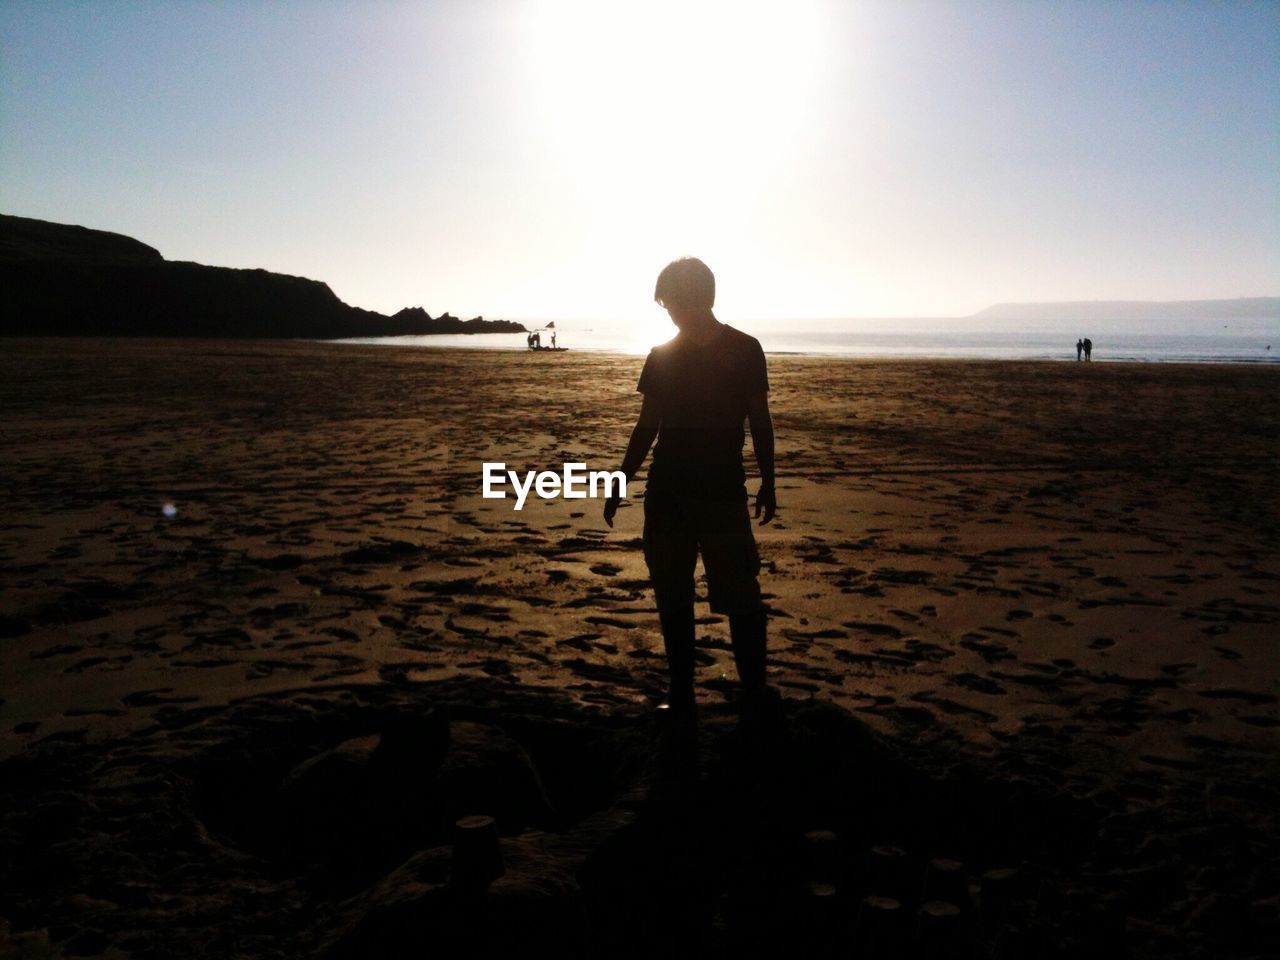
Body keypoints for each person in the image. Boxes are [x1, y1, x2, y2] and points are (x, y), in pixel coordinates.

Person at [603, 257, 777, 733]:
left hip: (723, 492)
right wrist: (620, 480)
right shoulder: (663, 355)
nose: (669, 312)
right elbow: (647, 427)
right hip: (669, 491)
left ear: (694, 297)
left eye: (671, 302)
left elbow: (759, 420)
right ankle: (681, 695)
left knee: (741, 594)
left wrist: (769, 479)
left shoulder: (744, 350)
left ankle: (754, 691)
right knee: (673, 594)